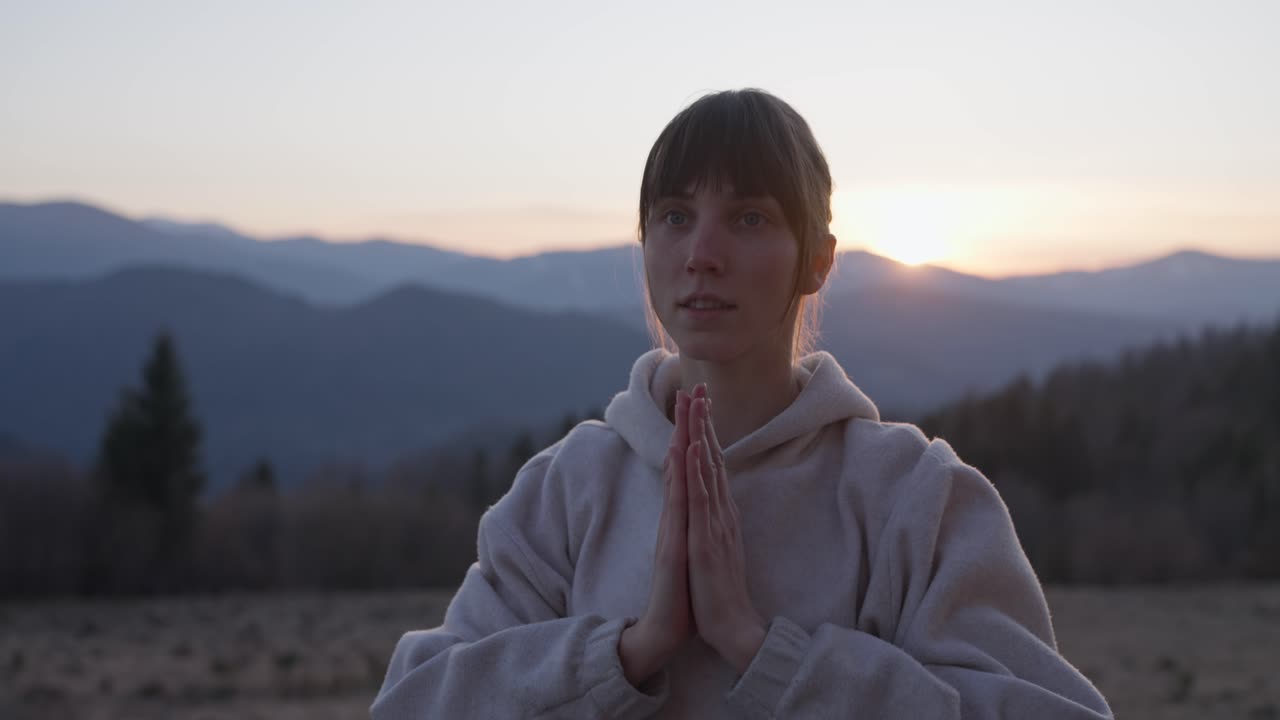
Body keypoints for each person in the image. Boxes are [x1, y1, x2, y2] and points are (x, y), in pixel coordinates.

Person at [370, 88, 1113, 719]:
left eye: (749, 217)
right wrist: (628, 652)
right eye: (673, 215)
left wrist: (766, 652)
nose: (702, 252)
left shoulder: (913, 499)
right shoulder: (564, 492)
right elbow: (412, 701)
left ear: (818, 260)